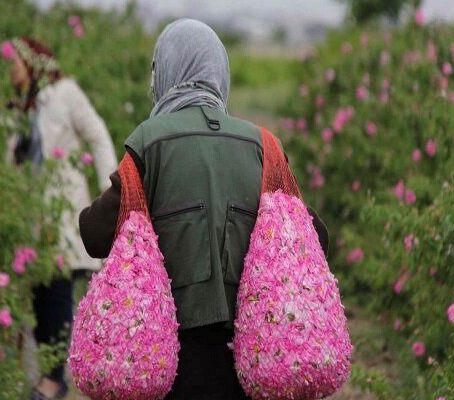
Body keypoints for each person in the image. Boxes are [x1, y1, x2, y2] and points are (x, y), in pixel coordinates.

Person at [78, 20, 328, 400]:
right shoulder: (264, 146)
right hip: (250, 351)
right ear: (219, 72)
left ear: (165, 72)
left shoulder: (150, 141)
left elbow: (94, 235)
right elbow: (317, 239)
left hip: (168, 353)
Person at [6, 36, 118, 400]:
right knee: (39, 293)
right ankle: (51, 375)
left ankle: (54, 379)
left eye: (15, 62)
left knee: (56, 289)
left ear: (32, 63)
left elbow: (98, 136)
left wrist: (110, 192)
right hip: (29, 215)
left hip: (62, 210)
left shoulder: (65, 93)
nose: (10, 70)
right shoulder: (16, 108)